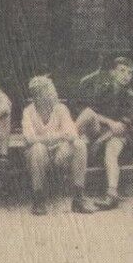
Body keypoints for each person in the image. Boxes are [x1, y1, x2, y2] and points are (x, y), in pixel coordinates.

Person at [21, 75, 96, 216]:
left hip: (58, 153)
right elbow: (30, 139)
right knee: (38, 149)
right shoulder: (28, 112)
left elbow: (72, 134)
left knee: (79, 145)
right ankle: (38, 199)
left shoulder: (61, 109)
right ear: (39, 96)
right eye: (51, 91)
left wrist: (62, 137)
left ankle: (78, 198)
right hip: (37, 157)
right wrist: (58, 136)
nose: (55, 94)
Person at [76, 56, 133, 210]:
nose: (126, 76)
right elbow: (91, 112)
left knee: (111, 152)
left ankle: (112, 194)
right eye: (122, 71)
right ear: (112, 72)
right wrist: (108, 122)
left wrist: (100, 140)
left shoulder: (129, 96)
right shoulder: (104, 89)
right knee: (88, 114)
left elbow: (121, 127)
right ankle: (71, 139)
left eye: (129, 73)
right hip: (101, 130)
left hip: (118, 136)